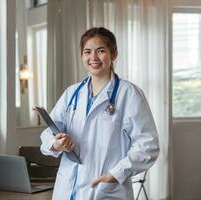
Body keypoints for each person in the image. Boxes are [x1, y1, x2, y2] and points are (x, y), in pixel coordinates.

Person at [40, 27, 159, 200]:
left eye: (101, 51)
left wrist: (115, 174)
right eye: (87, 51)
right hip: (67, 190)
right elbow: (50, 131)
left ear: (114, 54)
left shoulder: (129, 94)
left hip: (105, 191)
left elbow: (148, 145)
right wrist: (56, 143)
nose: (93, 58)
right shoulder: (72, 93)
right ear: (82, 56)